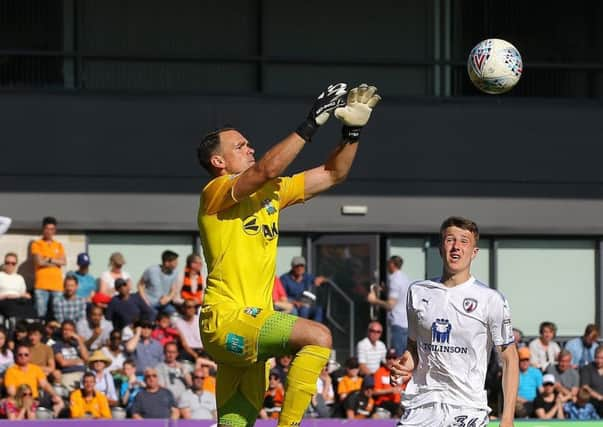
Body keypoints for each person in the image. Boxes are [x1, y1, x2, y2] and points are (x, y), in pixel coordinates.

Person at [197, 82, 380, 427]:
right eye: (240, 146)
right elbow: (265, 169)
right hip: (227, 320)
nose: (250, 148)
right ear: (219, 161)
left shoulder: (270, 194)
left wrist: (352, 131)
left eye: (249, 144)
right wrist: (310, 124)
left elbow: (333, 173)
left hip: (251, 330)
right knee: (319, 336)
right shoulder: (215, 192)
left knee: (234, 424)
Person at [391, 216, 518, 427]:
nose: (456, 247)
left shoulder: (491, 299)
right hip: (422, 404)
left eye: (464, 241)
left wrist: (507, 418)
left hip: (467, 407)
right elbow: (414, 348)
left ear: (474, 252)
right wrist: (404, 365)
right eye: (450, 240)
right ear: (441, 248)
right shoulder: (418, 292)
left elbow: (510, 359)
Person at [367, 255, 411, 356]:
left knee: (397, 358)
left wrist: (374, 300)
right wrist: (386, 291)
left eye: (388, 264)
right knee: (404, 357)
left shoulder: (394, 280)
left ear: (392, 264)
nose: (386, 266)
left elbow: (390, 305)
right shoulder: (404, 277)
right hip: (406, 323)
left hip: (398, 323)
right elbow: (400, 296)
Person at [4, 343, 64, 417]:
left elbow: (44, 384)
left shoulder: (36, 369)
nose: (23, 357)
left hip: (35, 399)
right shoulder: (11, 371)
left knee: (59, 401)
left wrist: (54, 395)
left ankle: (54, 417)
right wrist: (25, 400)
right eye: (20, 354)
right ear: (16, 356)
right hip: (18, 400)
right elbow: (11, 391)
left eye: (26, 355)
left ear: (29, 356)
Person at [31, 216, 66, 318]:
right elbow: (39, 262)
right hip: (41, 285)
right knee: (40, 314)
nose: (49, 232)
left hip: (57, 285)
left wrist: (48, 259)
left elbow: (63, 262)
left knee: (58, 315)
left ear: (55, 230)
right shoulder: (37, 244)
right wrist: (56, 262)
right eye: (47, 228)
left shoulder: (59, 245)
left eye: (52, 229)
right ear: (43, 229)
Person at [280, 256, 326, 322]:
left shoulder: (307, 276)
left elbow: (317, 279)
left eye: (302, 266)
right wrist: (294, 302)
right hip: (291, 304)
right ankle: (302, 330)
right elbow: (282, 296)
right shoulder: (284, 279)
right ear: (292, 267)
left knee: (318, 309)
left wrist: (321, 279)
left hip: (305, 303)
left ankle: (316, 329)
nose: (300, 268)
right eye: (297, 266)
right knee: (304, 309)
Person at [138, 250, 180, 315]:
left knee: (175, 315)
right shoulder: (151, 270)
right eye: (175, 262)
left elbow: (173, 289)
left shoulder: (175, 272)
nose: (177, 264)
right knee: (153, 316)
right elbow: (140, 285)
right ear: (167, 262)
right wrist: (145, 301)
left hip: (164, 303)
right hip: (150, 303)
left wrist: (168, 298)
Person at [53, 319, 89, 391]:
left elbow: (86, 358)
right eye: (65, 329)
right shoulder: (57, 345)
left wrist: (79, 340)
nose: (67, 332)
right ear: (61, 331)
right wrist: (79, 360)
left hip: (83, 373)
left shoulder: (77, 344)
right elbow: (63, 363)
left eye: (70, 330)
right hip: (68, 374)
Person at [372, 348, 402, 418]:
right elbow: (374, 391)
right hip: (384, 405)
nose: (391, 361)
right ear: (385, 359)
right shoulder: (379, 372)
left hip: (398, 405)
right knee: (376, 417)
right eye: (389, 358)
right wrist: (390, 391)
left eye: (394, 358)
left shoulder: (402, 372)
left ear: (398, 359)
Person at [517, 346, 542, 417]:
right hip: (519, 402)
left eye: (527, 360)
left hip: (534, 402)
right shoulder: (514, 373)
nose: (525, 362)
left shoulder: (536, 372)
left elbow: (541, 390)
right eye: (522, 360)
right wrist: (526, 401)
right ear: (518, 360)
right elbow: (511, 394)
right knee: (520, 407)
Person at [579, 345, 603, 416]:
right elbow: (585, 387)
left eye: (602, 358)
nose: (599, 360)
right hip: (592, 402)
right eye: (597, 357)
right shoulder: (587, 368)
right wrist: (599, 397)